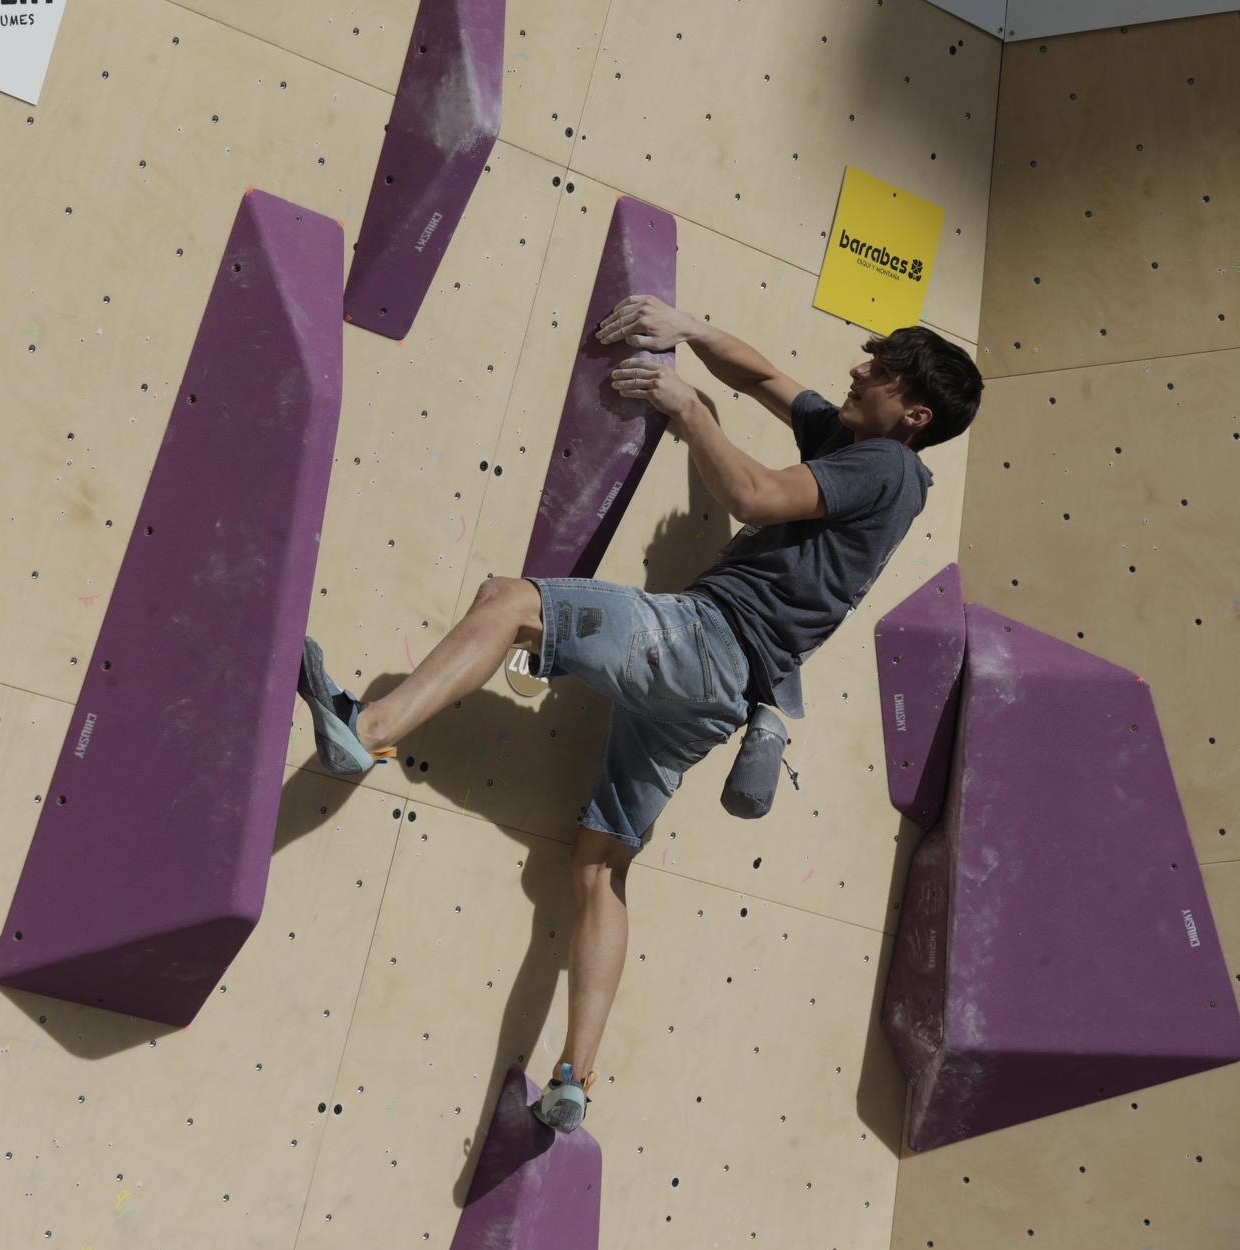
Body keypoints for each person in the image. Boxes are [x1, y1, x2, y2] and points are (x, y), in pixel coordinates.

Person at [297, 294, 983, 1132]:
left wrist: (689, 407)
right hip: (719, 698)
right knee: (598, 865)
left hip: (706, 640)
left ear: (913, 413)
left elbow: (758, 495)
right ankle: (575, 1078)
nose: (856, 370)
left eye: (879, 372)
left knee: (508, 601)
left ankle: (363, 734)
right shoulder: (862, 445)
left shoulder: (888, 467)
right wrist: (689, 331)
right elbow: (767, 375)